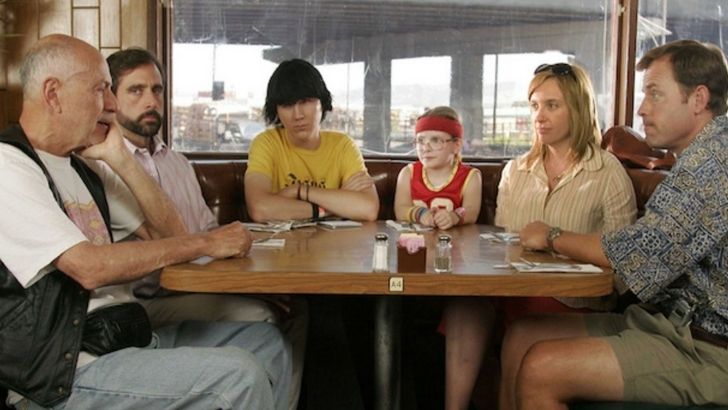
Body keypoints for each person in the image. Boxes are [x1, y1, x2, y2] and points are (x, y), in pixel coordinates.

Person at [0, 34, 290, 409]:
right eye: (100, 89)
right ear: (53, 94)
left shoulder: (85, 167)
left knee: (267, 344)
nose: (111, 104)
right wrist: (207, 242)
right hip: (66, 373)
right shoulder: (9, 165)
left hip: (126, 337)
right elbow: (88, 267)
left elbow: (171, 235)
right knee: (239, 375)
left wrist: (121, 159)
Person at [502, 39, 728, 409]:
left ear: (698, 99)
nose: (641, 109)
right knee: (521, 335)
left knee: (542, 367)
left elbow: (640, 253)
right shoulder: (698, 156)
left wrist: (552, 236)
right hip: (669, 324)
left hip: (710, 348)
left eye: (655, 94)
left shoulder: (714, 161)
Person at [106, 48, 307, 410]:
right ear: (110, 98)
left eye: (157, 90)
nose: (151, 101)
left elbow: (209, 234)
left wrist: (256, 284)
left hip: (189, 289)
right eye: (136, 91)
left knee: (295, 309)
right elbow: (175, 245)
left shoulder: (178, 163)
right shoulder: (105, 168)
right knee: (261, 317)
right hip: (141, 302)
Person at [443, 63, 637, 410]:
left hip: (572, 300)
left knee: (525, 321)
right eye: (534, 106)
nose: (539, 116)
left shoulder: (609, 173)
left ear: (578, 108)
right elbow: (501, 244)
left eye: (552, 105)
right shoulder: (515, 170)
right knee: (464, 307)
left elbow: (625, 269)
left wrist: (559, 245)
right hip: (510, 289)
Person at [244, 58, 379, 222]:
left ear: (322, 103)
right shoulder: (266, 143)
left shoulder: (342, 145)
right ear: (276, 110)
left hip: (334, 239)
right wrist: (332, 207)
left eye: (305, 102)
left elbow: (368, 209)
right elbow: (260, 209)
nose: (297, 115)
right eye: (287, 105)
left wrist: (299, 191)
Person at [393, 106, 482, 229]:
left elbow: (471, 211)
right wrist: (420, 214)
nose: (426, 148)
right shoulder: (408, 173)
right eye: (420, 141)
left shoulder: (470, 177)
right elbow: (400, 209)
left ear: (457, 145)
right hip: (415, 240)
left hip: (454, 240)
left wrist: (454, 217)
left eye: (436, 140)